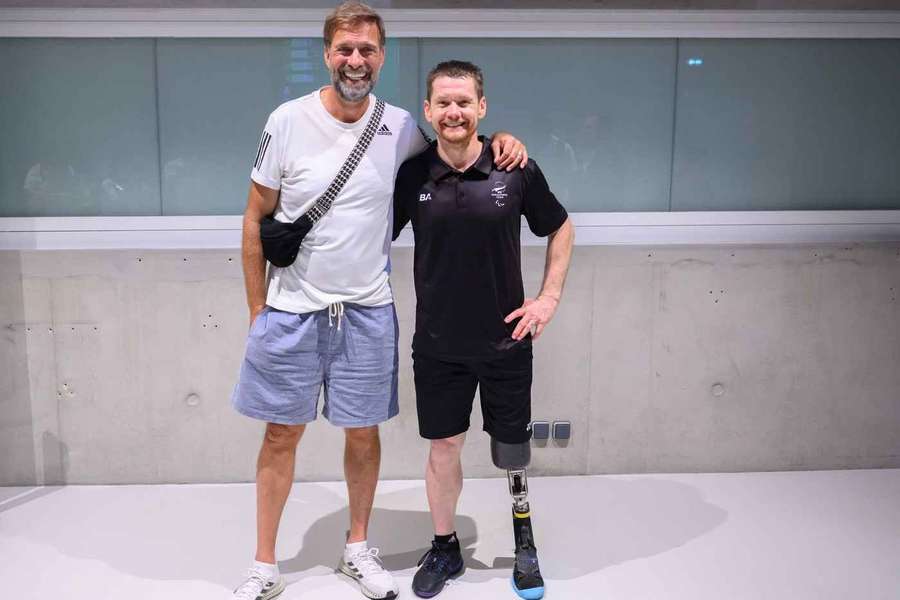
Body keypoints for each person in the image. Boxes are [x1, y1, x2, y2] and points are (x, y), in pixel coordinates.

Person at [229, 4, 528, 600]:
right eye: (345, 49)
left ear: (382, 56)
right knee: (280, 435)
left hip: (366, 311)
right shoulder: (287, 120)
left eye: (367, 50)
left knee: (363, 435)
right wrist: (258, 310)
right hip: (291, 311)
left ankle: (357, 549)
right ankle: (264, 564)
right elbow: (254, 219)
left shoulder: (400, 128)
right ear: (326, 53)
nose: (355, 61)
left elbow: (459, 141)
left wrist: (505, 142)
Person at [392, 60, 574, 600]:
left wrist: (548, 299)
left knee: (511, 450)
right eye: (443, 103)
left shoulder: (513, 168)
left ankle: (524, 543)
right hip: (439, 347)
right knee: (443, 447)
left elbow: (560, 226)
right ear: (428, 111)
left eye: (463, 102)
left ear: (481, 108)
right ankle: (445, 547)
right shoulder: (412, 176)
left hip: (506, 344)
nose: (454, 112)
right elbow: (370, 232)